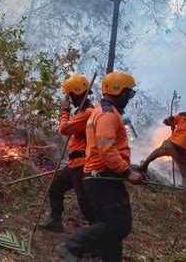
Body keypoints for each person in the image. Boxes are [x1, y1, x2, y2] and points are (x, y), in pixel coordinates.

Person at [56, 71, 143, 262]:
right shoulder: (106, 114)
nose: (129, 97)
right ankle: (73, 246)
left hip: (99, 175)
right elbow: (106, 149)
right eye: (129, 93)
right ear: (118, 91)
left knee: (110, 229)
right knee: (119, 225)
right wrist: (128, 172)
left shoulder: (98, 111)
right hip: (104, 176)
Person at [40, 75, 94, 232]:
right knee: (56, 186)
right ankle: (55, 221)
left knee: (86, 203)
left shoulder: (88, 112)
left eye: (69, 95)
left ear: (76, 94)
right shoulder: (82, 111)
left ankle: (98, 237)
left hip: (83, 164)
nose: (68, 98)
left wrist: (65, 111)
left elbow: (64, 129)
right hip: (75, 163)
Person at [138, 100, 186, 207]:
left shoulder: (183, 115)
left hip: (171, 144)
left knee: (157, 152)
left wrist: (170, 123)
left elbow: (168, 121)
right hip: (184, 152)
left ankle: (142, 166)